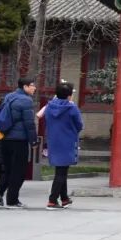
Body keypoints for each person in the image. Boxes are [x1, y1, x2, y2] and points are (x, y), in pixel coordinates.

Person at [0, 76, 37, 209]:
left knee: (9, 169)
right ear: (25, 87)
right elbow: (29, 124)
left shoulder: (9, 97)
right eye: (32, 85)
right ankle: (12, 200)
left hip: (5, 138)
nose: (34, 88)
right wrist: (33, 140)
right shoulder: (26, 100)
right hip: (19, 140)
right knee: (19, 171)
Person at [43, 81, 83, 210]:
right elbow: (79, 125)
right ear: (69, 95)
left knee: (61, 170)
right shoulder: (72, 108)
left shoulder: (49, 107)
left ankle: (64, 198)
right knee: (61, 173)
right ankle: (52, 200)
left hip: (53, 141)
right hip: (67, 141)